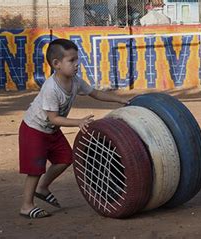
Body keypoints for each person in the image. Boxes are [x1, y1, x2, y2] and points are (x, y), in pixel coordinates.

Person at [18, 38, 129, 219]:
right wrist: (78, 122)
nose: (77, 64)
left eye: (77, 59)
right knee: (35, 169)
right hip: (34, 129)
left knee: (65, 158)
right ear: (57, 64)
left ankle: (42, 187)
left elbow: (95, 93)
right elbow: (53, 118)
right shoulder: (51, 88)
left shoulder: (75, 80)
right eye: (72, 60)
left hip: (51, 130)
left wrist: (119, 99)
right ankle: (26, 205)